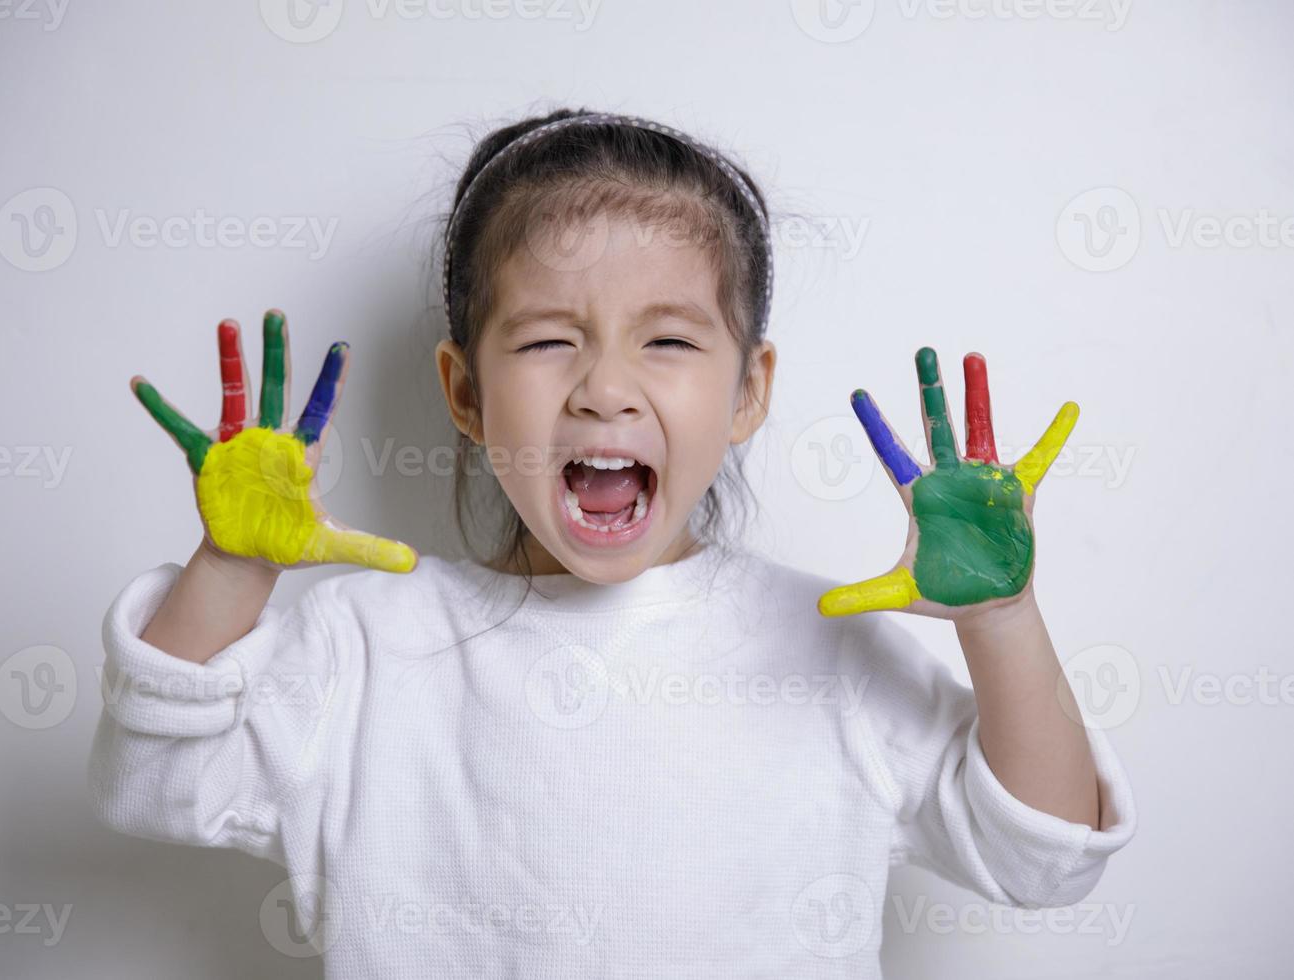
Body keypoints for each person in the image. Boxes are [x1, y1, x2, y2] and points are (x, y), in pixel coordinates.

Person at [86, 108, 1137, 978]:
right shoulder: (367, 643)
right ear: (463, 390)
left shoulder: (825, 651)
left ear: (747, 391)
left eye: (669, 340)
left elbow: (1043, 859)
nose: (602, 387)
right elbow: (153, 781)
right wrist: (232, 566)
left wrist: (1001, 616)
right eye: (547, 340)